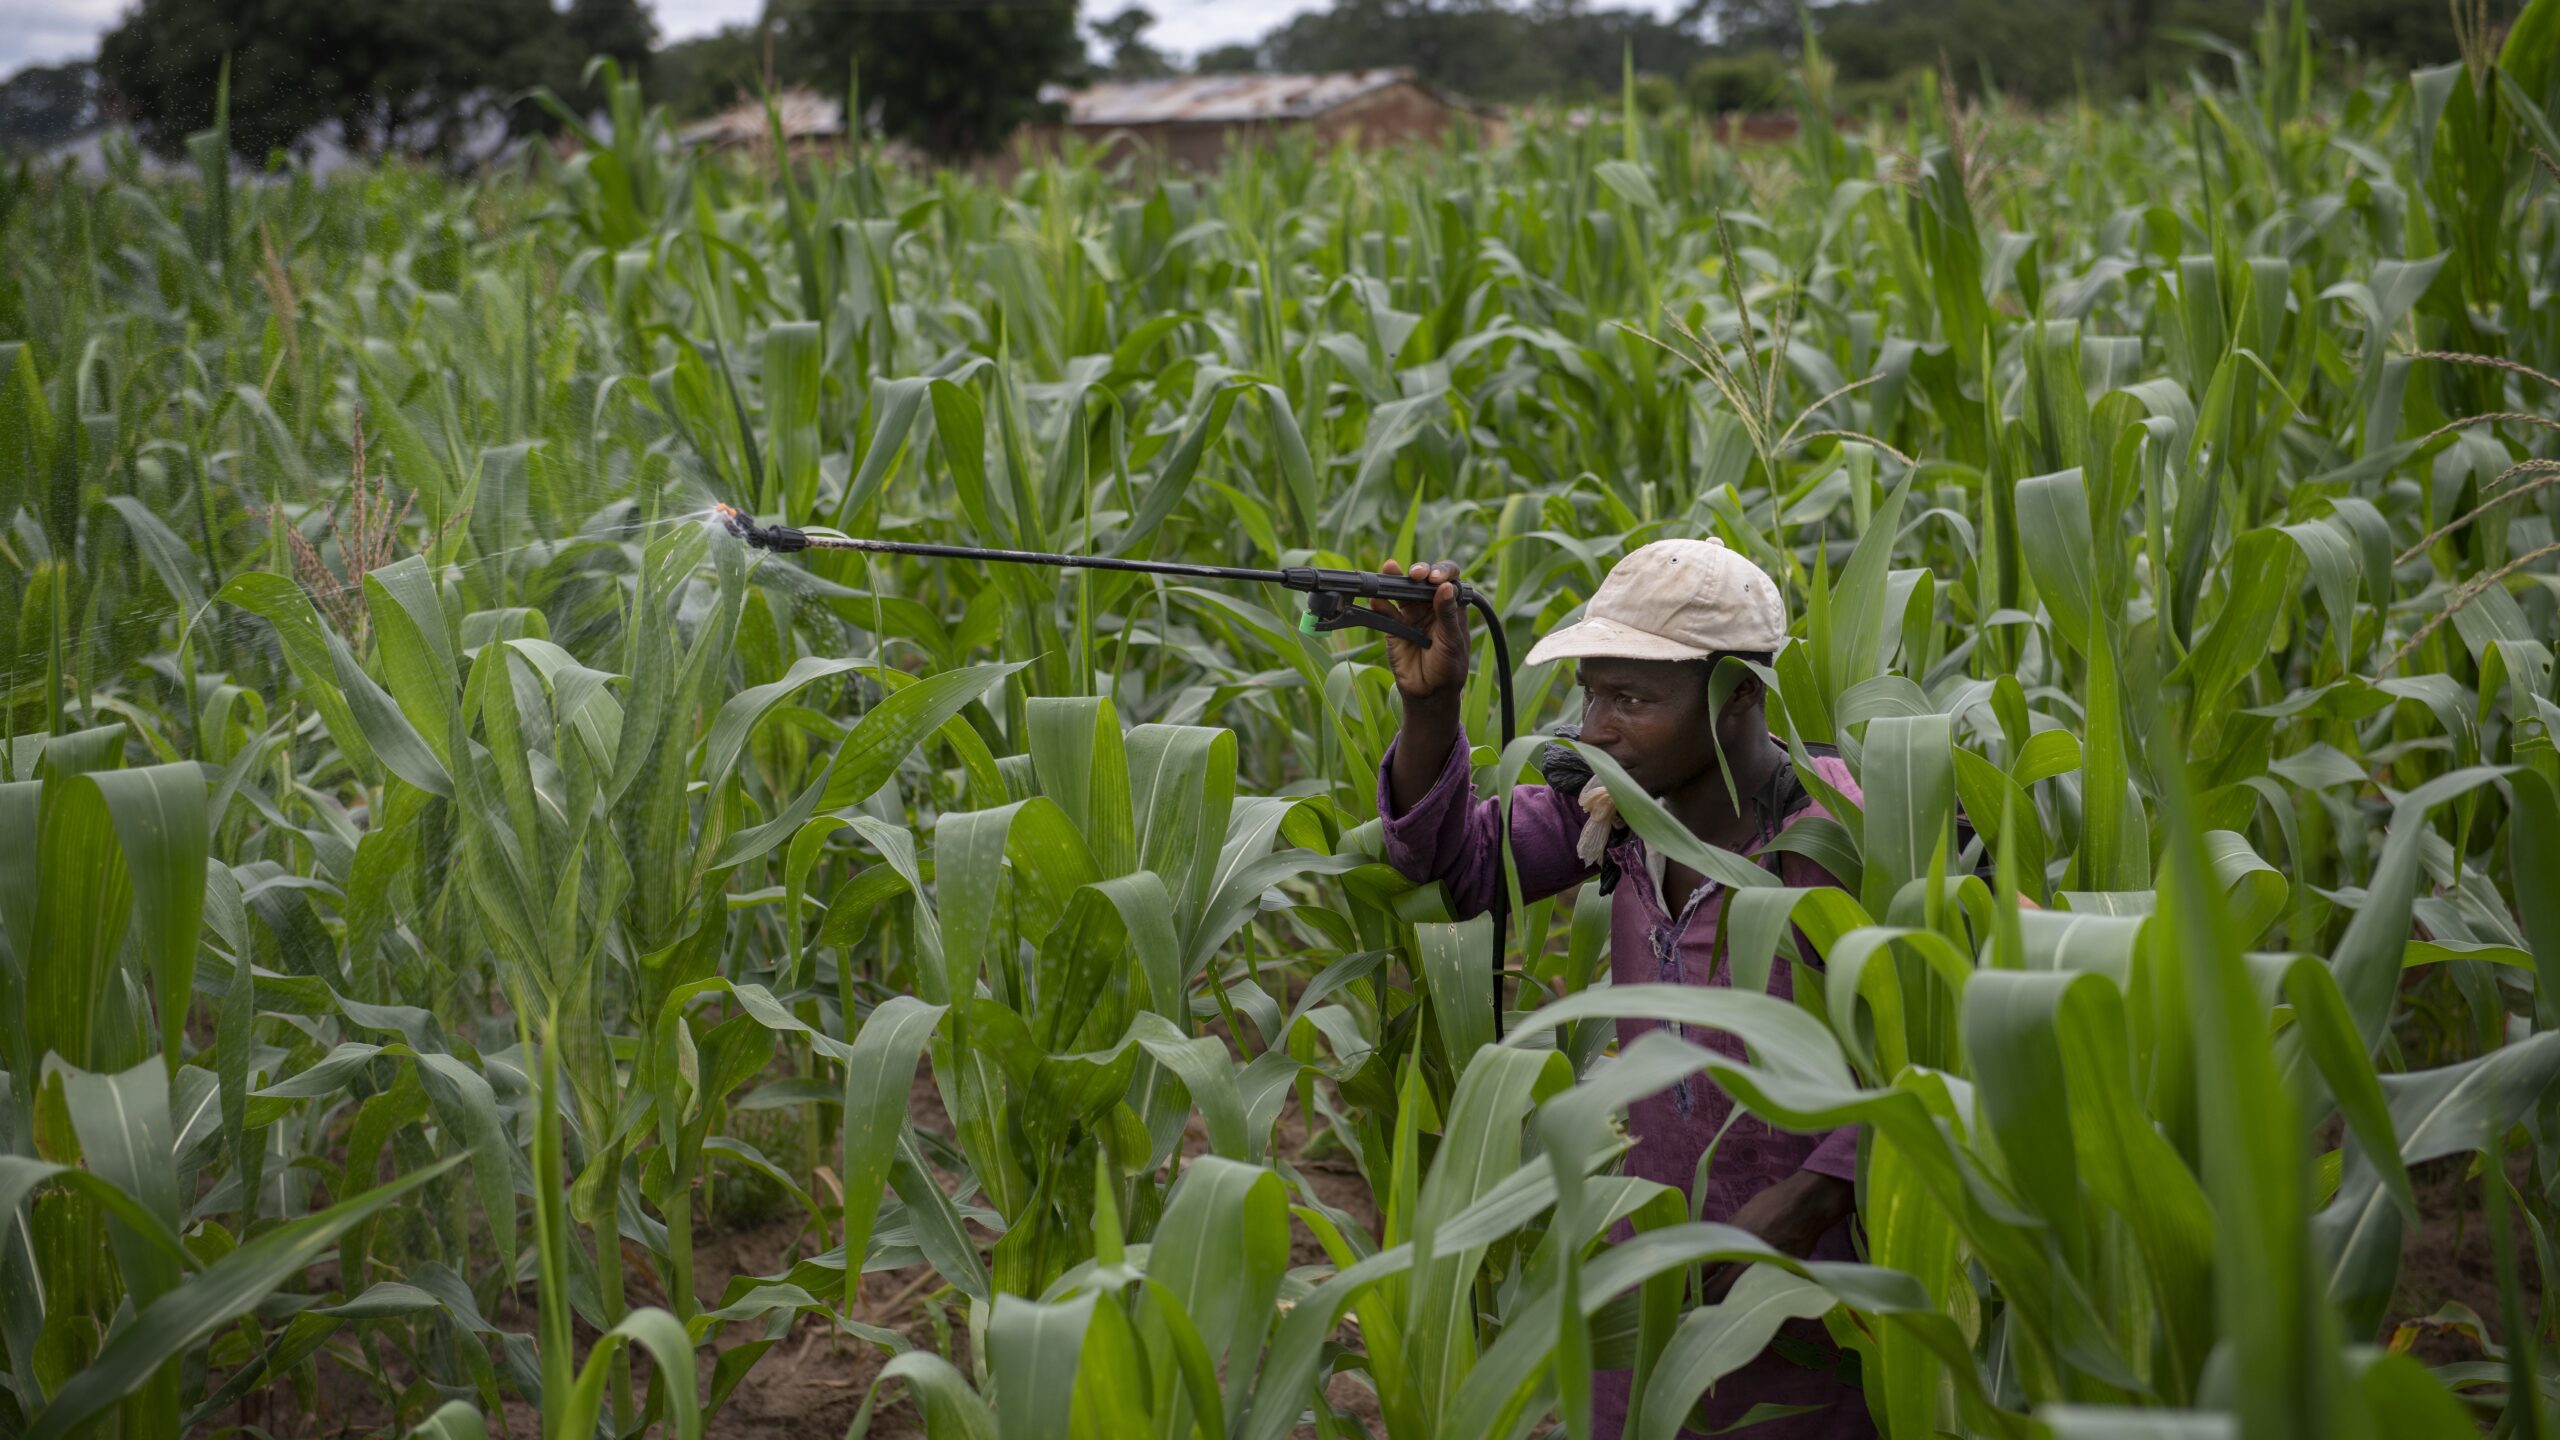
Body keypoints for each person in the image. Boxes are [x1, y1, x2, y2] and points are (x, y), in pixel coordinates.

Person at [1371, 538, 1875, 1440]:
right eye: (1591, 693)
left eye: (1631, 698)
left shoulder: (1839, 839)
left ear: (1739, 699)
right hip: (1651, 1278)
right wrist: (1432, 706)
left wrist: (1817, 1193)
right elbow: (1457, 866)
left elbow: (1960, 1025)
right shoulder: (1613, 807)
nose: (1594, 727)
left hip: (1817, 1302)